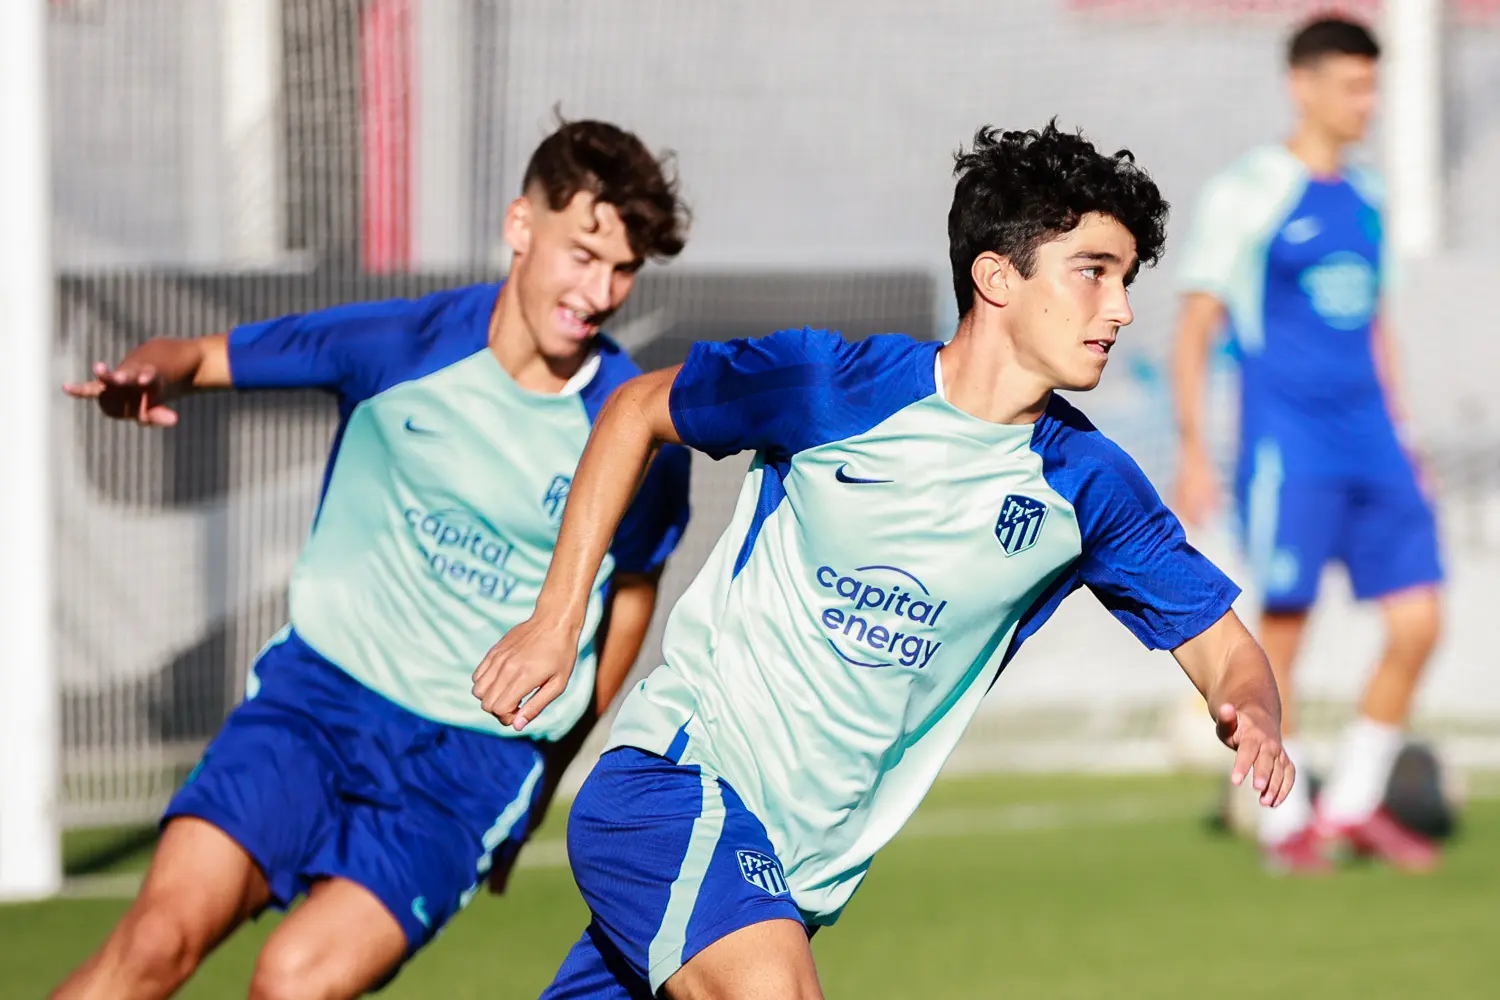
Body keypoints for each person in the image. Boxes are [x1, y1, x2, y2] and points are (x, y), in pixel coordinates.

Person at [473, 120, 1294, 1000]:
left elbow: (1226, 650)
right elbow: (634, 409)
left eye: (1126, 280)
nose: (1122, 308)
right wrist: (557, 623)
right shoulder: (831, 387)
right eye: (1092, 272)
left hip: (793, 875)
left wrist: (1252, 708)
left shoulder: (1087, 486)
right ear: (996, 278)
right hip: (676, 783)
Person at [52, 119, 693, 1000]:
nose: (601, 291)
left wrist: (552, 767)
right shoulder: (403, 345)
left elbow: (631, 592)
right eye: (583, 254)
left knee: (293, 984)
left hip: (466, 763)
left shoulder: (634, 425)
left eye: (623, 270)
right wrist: (143, 374)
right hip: (316, 701)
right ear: (519, 225)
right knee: (155, 942)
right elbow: (198, 357)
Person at [1170, 17, 1442, 873]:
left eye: (1374, 87)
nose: (1368, 104)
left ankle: (1354, 806)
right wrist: (1194, 450)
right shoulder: (1248, 192)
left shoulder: (1369, 195)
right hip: (1289, 445)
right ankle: (1286, 828)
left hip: (1374, 443)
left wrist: (1404, 433)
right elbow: (1195, 328)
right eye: (1354, 87)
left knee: (1419, 622)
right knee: (1282, 632)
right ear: (1305, 85)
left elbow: (1378, 327)